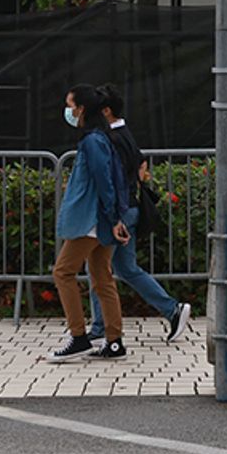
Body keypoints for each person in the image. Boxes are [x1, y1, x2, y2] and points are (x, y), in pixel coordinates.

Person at [85, 84, 192, 345]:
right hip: (129, 209)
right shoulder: (122, 132)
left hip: (119, 212)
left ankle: (100, 327)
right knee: (126, 268)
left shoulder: (110, 137)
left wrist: (114, 216)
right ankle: (172, 309)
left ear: (106, 111)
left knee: (99, 269)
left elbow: (114, 179)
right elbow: (140, 164)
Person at [46, 83, 130, 362]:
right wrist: (116, 216)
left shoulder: (92, 141)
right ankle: (114, 341)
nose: (68, 111)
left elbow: (102, 180)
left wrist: (112, 214)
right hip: (102, 218)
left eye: (70, 106)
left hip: (90, 219)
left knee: (63, 272)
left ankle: (79, 336)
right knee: (102, 278)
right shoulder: (102, 138)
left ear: (81, 109)